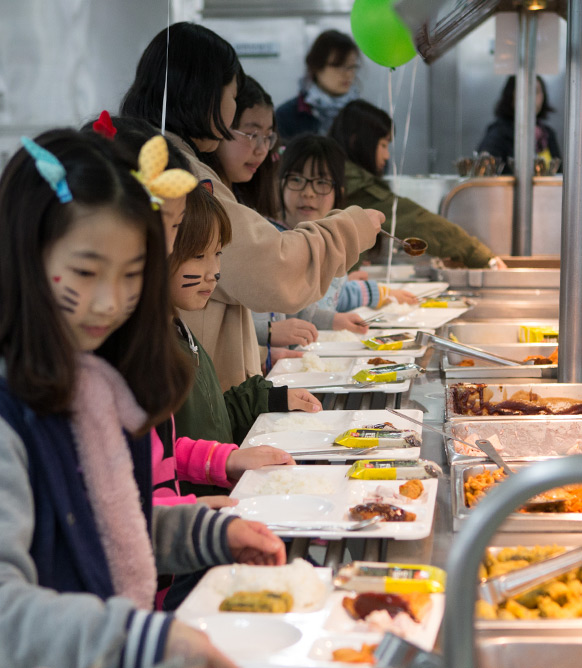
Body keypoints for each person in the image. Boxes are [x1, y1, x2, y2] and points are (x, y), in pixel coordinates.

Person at [0, 128, 286, 668]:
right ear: (24, 252)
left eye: (133, 275)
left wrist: (203, 532)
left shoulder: (96, 386)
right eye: (86, 273)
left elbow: (102, 524)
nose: (111, 302)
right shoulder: (10, 415)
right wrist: (141, 640)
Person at [120, 22, 382, 391]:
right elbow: (268, 267)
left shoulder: (154, 153)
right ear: (206, 94)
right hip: (184, 390)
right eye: (233, 96)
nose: (260, 147)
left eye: (268, 136)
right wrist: (350, 229)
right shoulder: (179, 172)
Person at [329, 100, 504, 269]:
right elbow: (419, 222)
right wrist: (482, 257)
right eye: (382, 145)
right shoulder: (357, 187)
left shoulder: (339, 173)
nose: (386, 156)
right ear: (356, 142)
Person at [272, 133, 417, 329]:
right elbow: (285, 315)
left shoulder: (333, 241)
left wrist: (378, 293)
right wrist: (331, 320)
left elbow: (332, 298)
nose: (308, 192)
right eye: (296, 179)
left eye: (321, 182)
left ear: (339, 192)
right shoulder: (275, 243)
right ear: (279, 185)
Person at [276, 29, 361, 141]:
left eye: (352, 67)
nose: (348, 74)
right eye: (338, 66)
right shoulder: (287, 115)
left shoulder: (361, 115)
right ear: (316, 67)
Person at [477, 75, 562, 174]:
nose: (531, 98)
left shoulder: (548, 134)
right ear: (511, 96)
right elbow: (485, 165)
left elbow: (560, 174)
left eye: (536, 91)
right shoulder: (499, 132)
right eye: (524, 91)